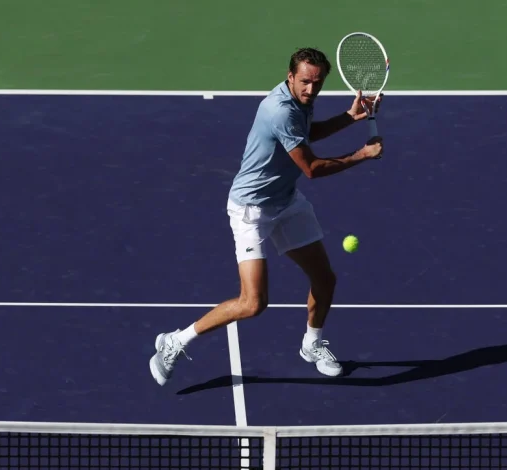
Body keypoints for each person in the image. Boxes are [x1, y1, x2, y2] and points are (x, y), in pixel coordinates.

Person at [149, 47, 383, 386]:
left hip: (286, 201)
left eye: (317, 83)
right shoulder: (278, 110)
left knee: (325, 279)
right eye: (305, 82)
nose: (311, 90)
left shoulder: (299, 100)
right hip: (251, 211)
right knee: (253, 302)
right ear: (290, 76)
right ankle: (174, 341)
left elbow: (305, 134)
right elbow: (313, 169)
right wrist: (362, 154)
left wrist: (349, 117)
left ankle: (311, 345)